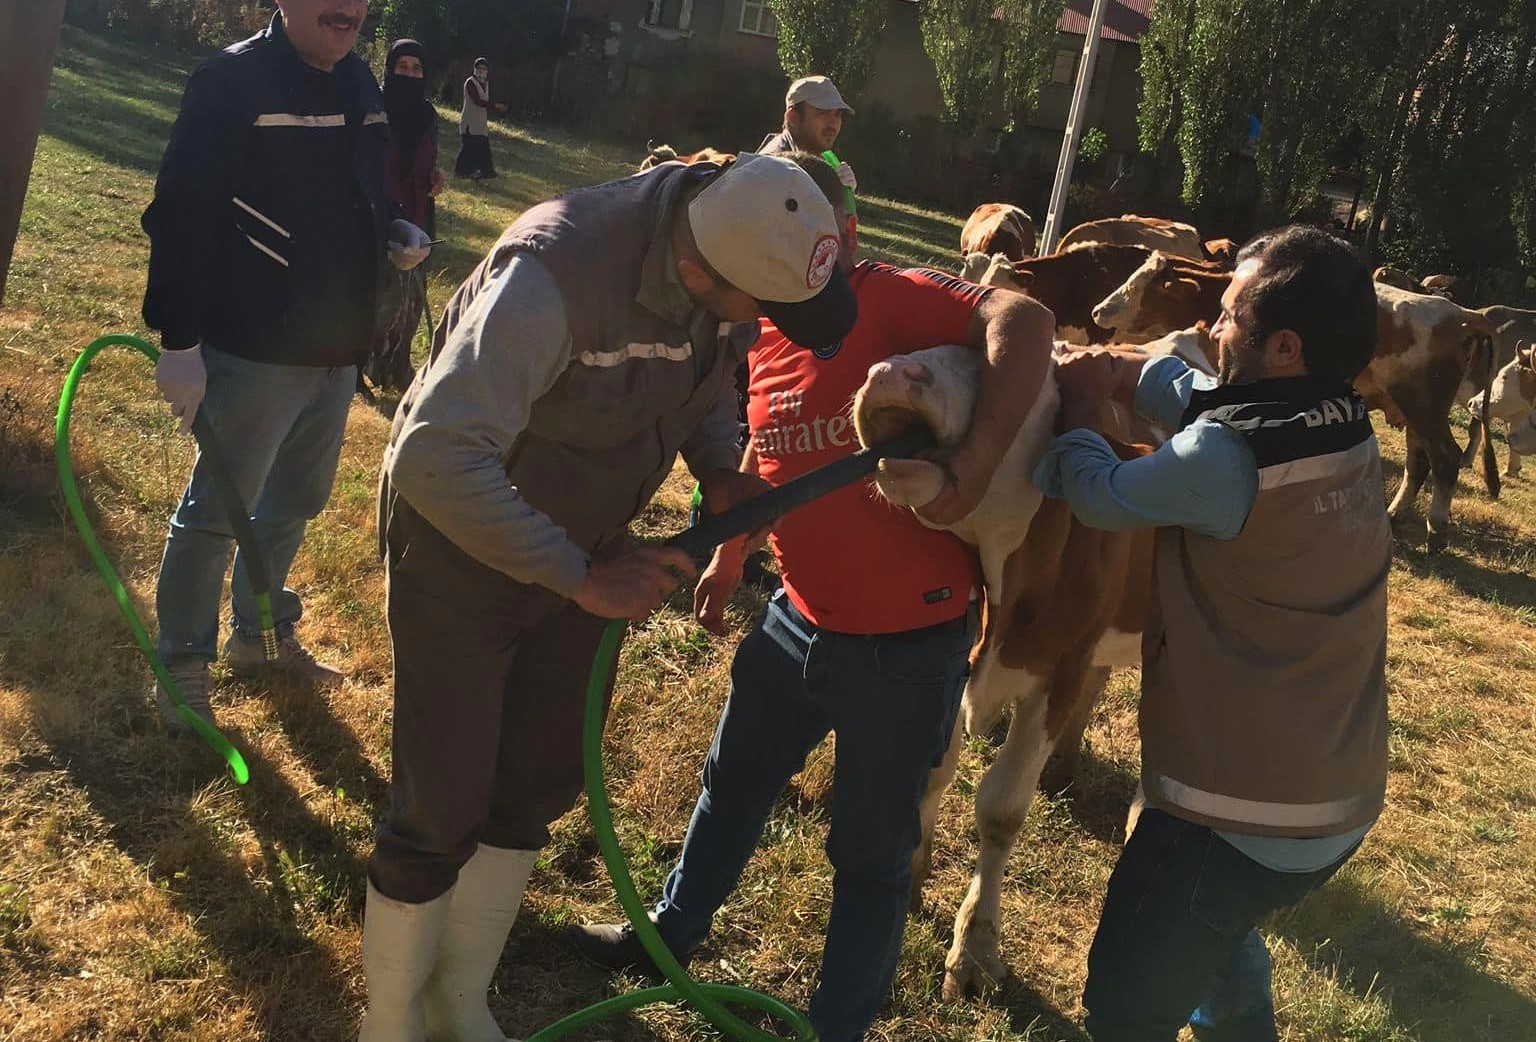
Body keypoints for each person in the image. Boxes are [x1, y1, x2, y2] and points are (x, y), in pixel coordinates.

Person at [357, 152, 859, 1042]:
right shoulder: (555, 276)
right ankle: (392, 1022)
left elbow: (706, 370)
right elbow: (435, 457)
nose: (764, 329)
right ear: (702, 272)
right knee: (442, 800)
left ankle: (459, 1001)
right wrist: (580, 574)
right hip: (464, 548)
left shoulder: (720, 258)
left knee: (536, 779)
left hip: (586, 554)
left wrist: (715, 463)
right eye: (763, 310)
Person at [566, 155, 1056, 1042]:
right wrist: (729, 558)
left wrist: (974, 460)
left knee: (870, 855)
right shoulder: (765, 329)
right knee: (732, 785)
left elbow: (1025, 315)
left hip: (908, 647)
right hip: (796, 618)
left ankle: (838, 1027)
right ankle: (670, 936)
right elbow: (773, 451)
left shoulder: (887, 295)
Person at [1032, 225, 1390, 1041]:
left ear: (1285, 347)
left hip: (1233, 815)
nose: (1212, 329)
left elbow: (1100, 493)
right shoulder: (1342, 420)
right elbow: (1216, 407)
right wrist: (1131, 371)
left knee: (1125, 1006)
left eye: (1228, 316)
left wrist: (1084, 408)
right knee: (1217, 941)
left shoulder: (1224, 460)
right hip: (1336, 797)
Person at [141, 0, 432, 730]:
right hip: (255, 346)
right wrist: (179, 342)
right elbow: (180, 212)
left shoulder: (360, 80)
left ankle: (260, 638)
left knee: (292, 504)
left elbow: (364, 188)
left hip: (337, 350)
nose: (347, 11)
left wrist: (391, 228)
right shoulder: (229, 82)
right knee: (220, 511)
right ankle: (181, 667)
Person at [363, 38, 446, 396]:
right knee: (374, 295)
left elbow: (430, 158)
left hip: (416, 214)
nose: (410, 74)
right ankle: (357, 366)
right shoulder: (373, 107)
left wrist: (437, 177)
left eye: (417, 68)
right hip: (378, 213)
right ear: (390, 69)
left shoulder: (428, 117)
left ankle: (397, 366)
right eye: (402, 67)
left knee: (410, 298)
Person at [758, 75, 857, 203]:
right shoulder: (774, 167)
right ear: (792, 117)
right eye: (823, 113)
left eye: (838, 114)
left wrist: (839, 192)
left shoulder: (816, 157)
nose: (833, 124)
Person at [455, 57, 505, 180]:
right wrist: (495, 105)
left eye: (484, 68)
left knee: (483, 148)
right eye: (479, 68)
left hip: (480, 123)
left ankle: (486, 172)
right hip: (469, 122)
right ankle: (462, 172)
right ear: (475, 69)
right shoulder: (470, 82)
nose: (481, 71)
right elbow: (477, 101)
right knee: (468, 149)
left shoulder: (485, 84)